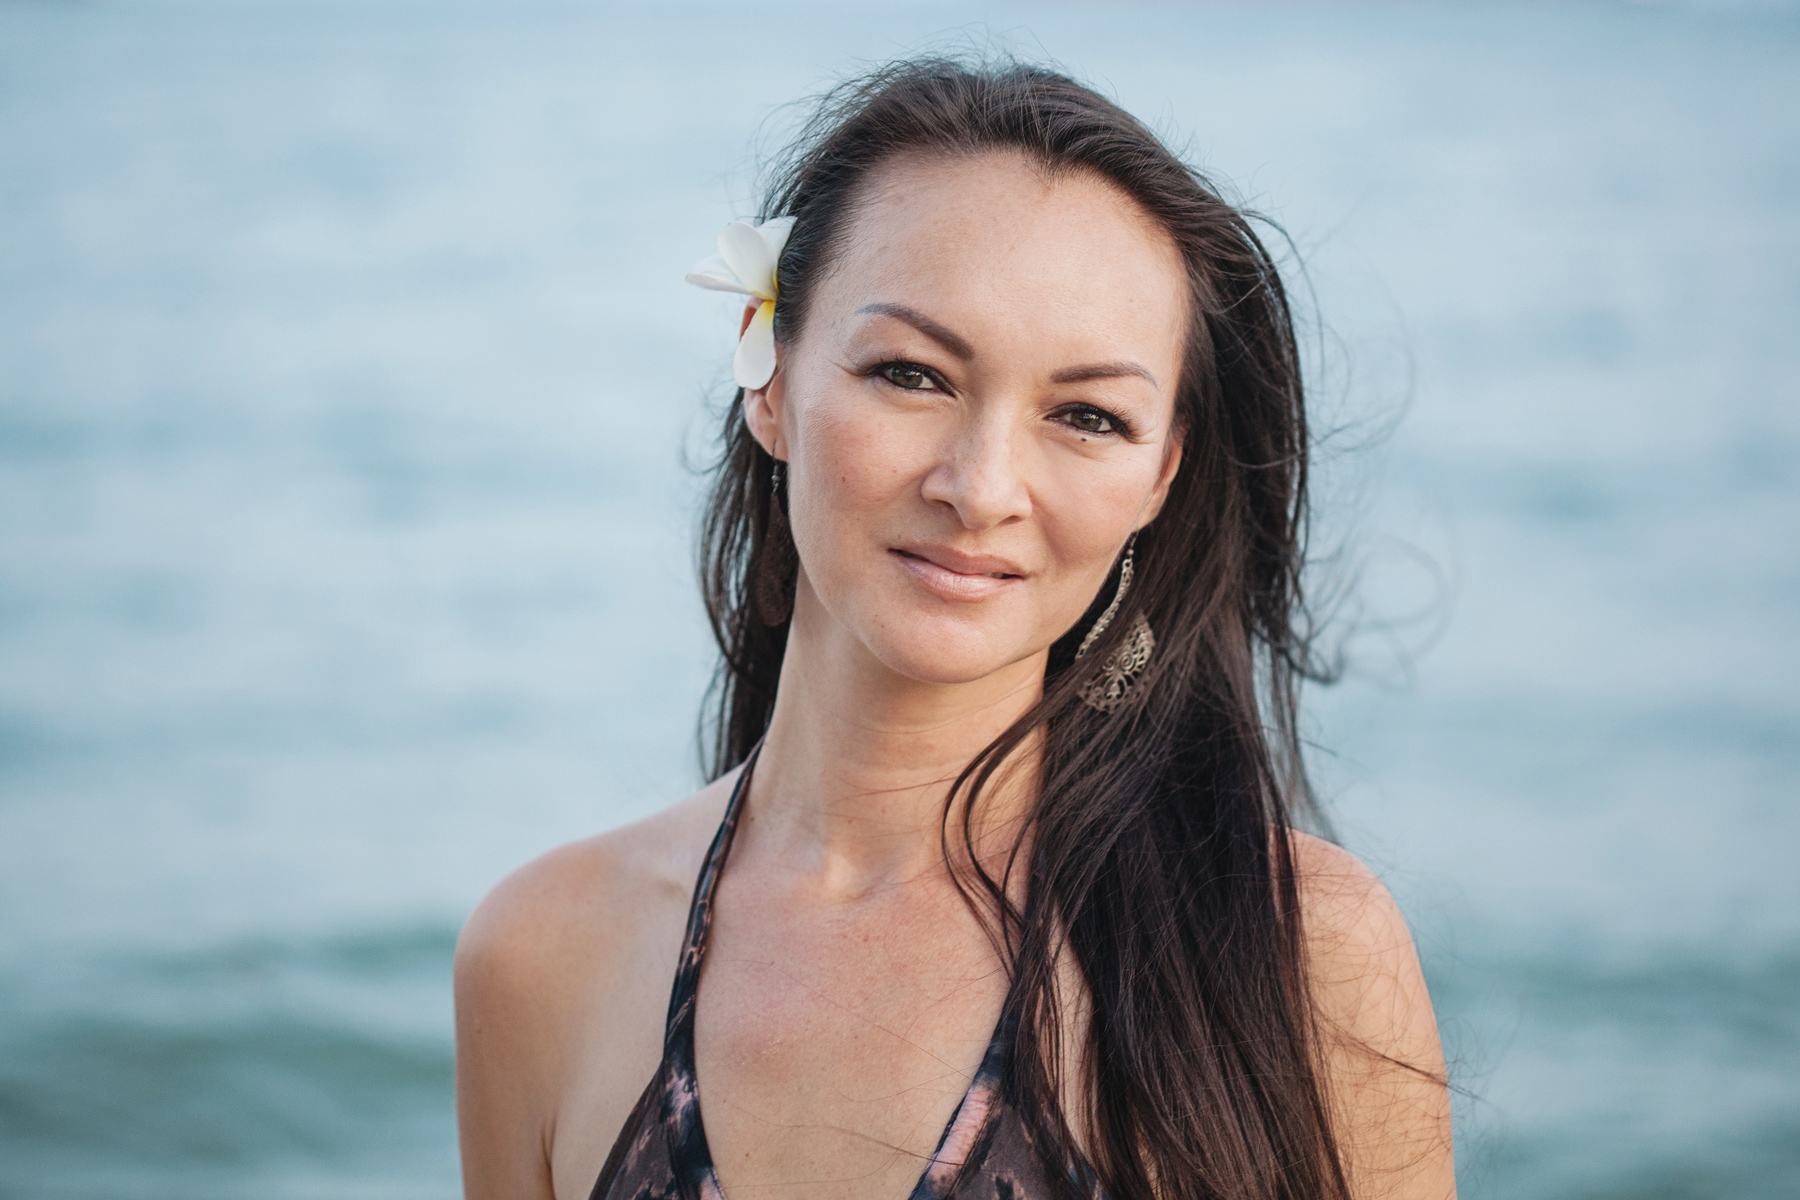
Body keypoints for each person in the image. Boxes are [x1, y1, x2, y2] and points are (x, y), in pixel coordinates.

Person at [454, 58, 1455, 1200]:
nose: (982, 489)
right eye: (912, 374)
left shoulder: (1294, 957)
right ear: (770, 373)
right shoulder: (541, 958)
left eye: (1087, 416)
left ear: (1162, 475)